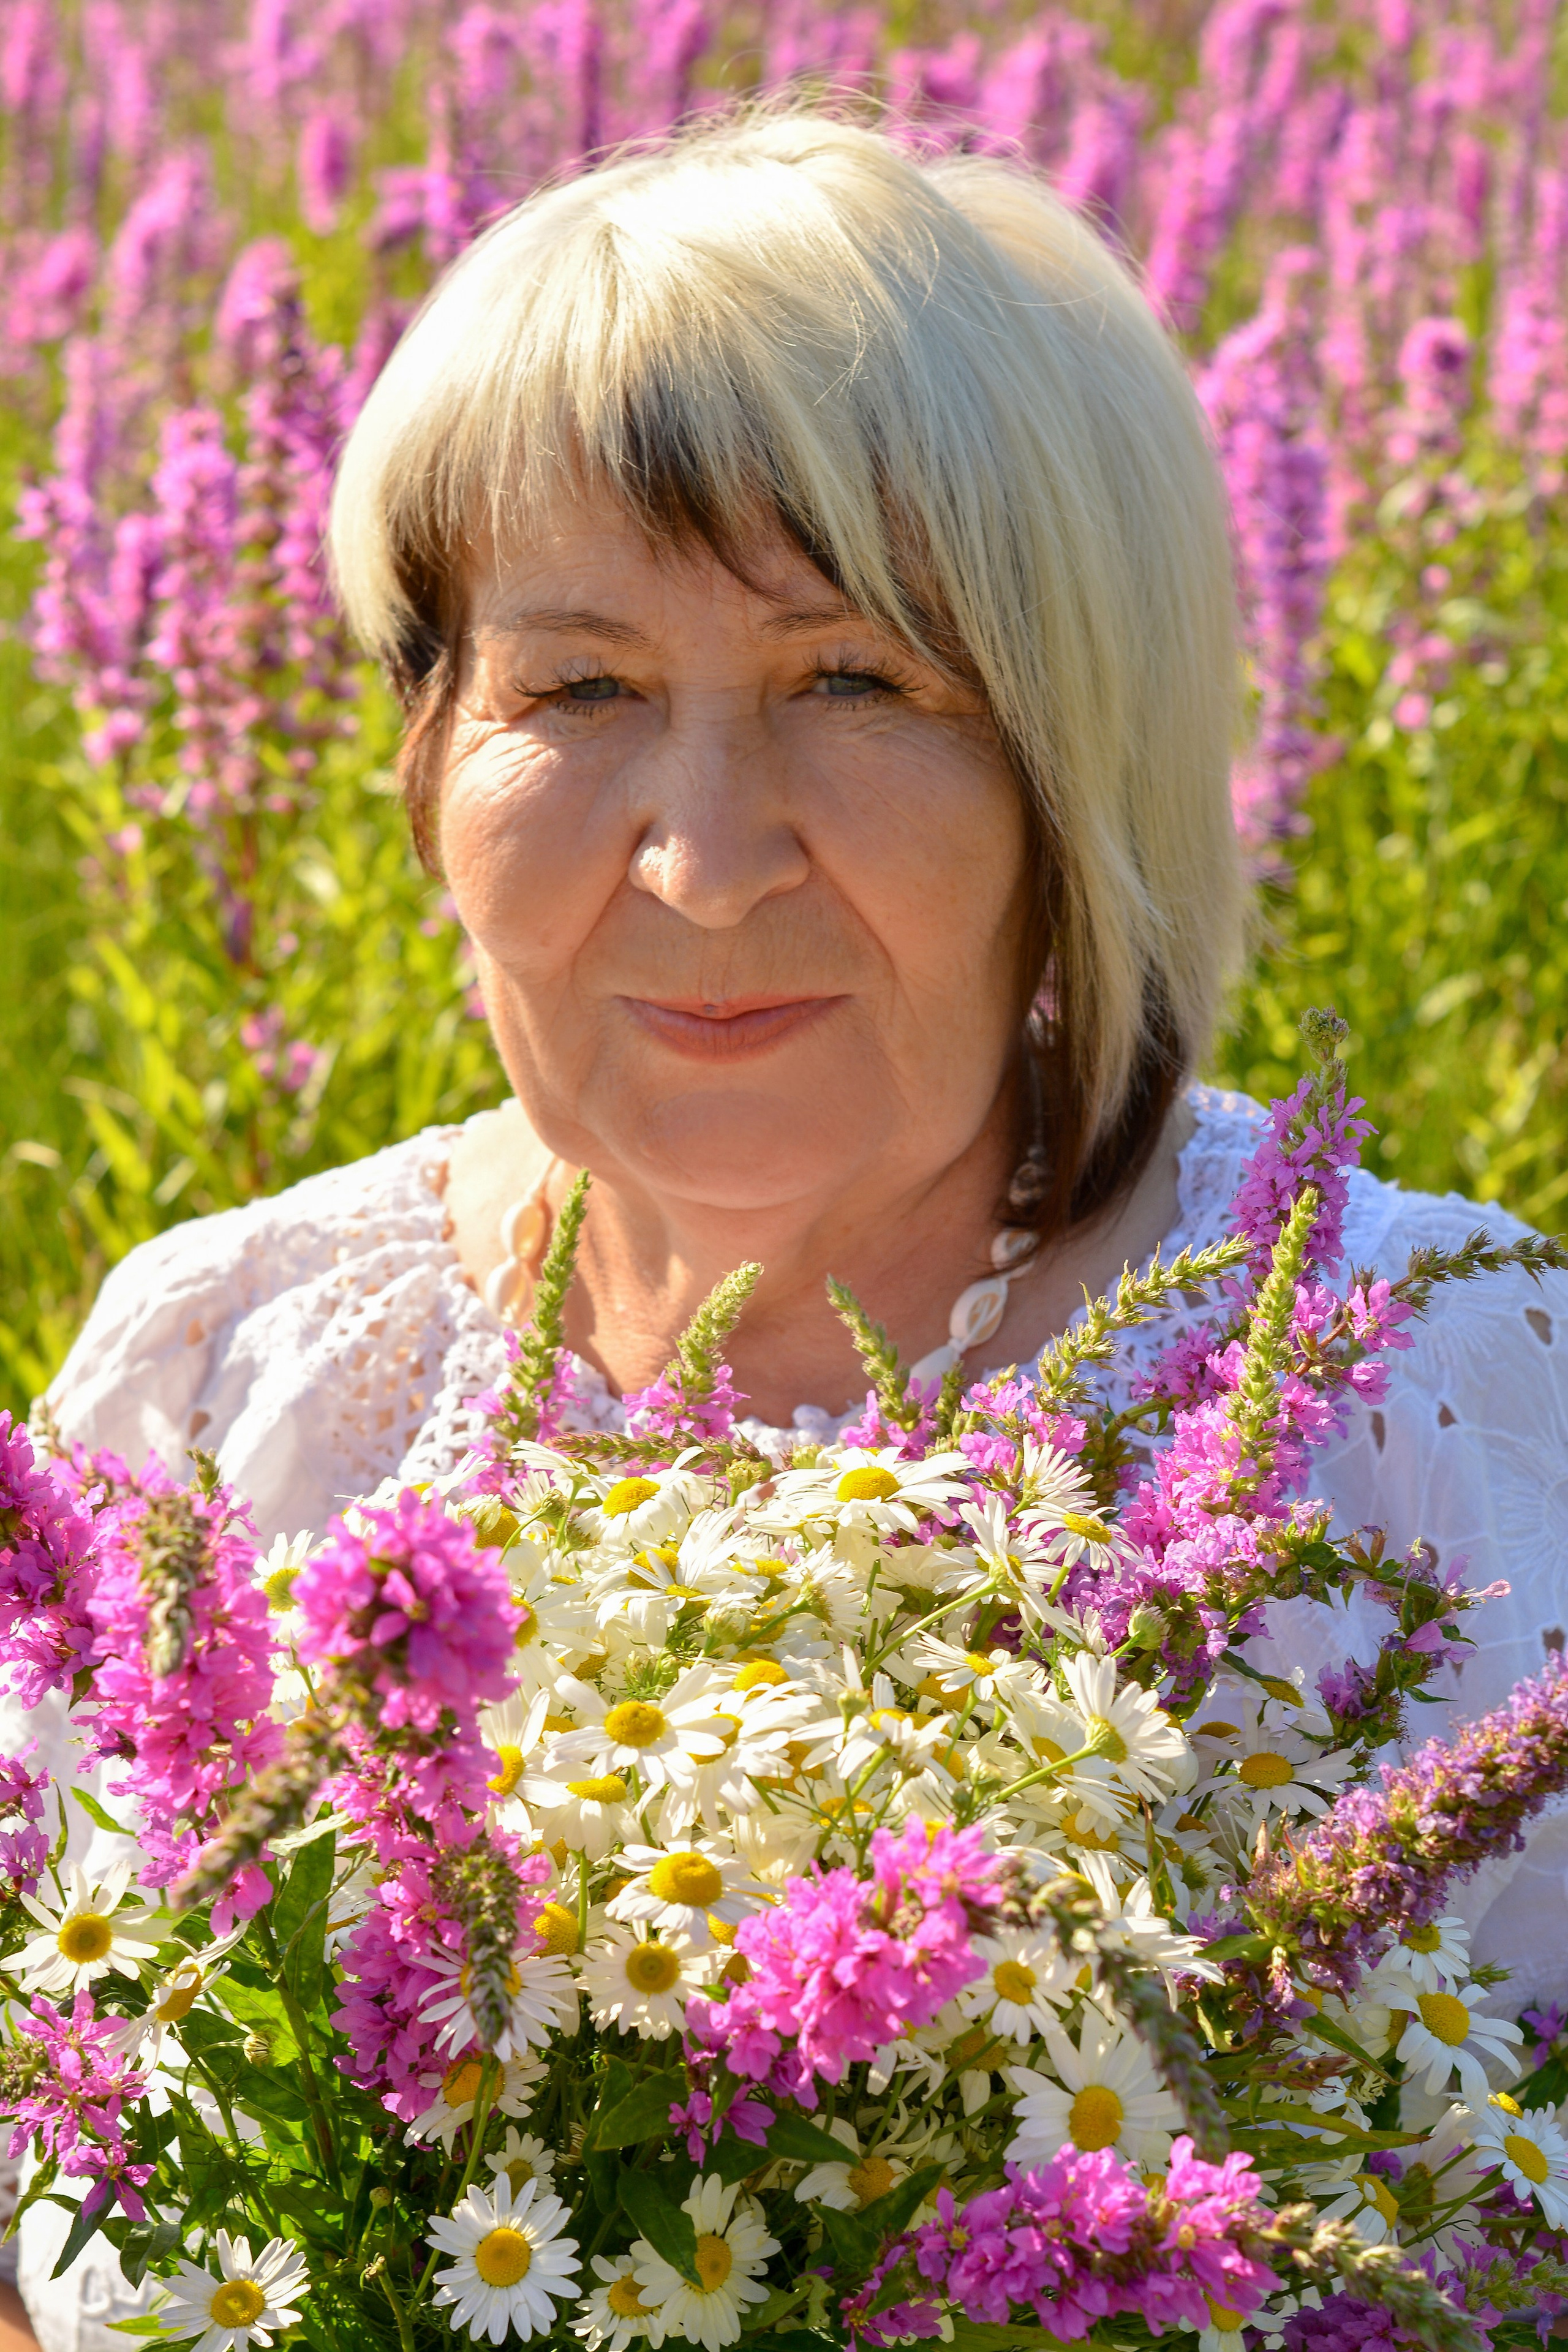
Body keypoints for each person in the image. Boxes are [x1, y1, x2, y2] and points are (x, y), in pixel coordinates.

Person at [16, 108, 1568, 2348]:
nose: (708, 858)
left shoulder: (1439, 1414)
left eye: (860, 682)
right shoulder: (219, 1395)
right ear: (427, 763)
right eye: (580, 690)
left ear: (1073, 764)